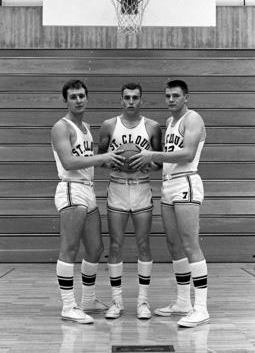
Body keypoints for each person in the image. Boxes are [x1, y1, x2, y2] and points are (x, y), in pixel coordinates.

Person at [130, 80, 209, 328]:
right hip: (168, 184)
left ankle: (201, 308)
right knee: (174, 244)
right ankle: (183, 302)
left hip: (186, 182)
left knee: (189, 244)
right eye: (167, 96)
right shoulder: (171, 123)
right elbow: (168, 159)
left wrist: (152, 155)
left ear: (187, 97)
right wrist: (141, 162)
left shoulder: (192, 118)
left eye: (176, 95)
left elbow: (186, 154)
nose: (171, 99)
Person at [51, 79, 124, 324]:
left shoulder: (85, 128)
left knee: (95, 249)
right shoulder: (61, 127)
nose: (78, 100)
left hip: (88, 190)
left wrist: (114, 160)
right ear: (66, 100)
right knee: (70, 248)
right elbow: (70, 162)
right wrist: (102, 156)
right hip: (71, 189)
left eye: (82, 95)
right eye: (73, 96)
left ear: (87, 97)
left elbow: (87, 159)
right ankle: (68, 306)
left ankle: (88, 300)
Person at [98, 83, 162, 320]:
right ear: (121, 100)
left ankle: (143, 302)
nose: (131, 101)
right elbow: (100, 159)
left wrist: (147, 163)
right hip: (117, 189)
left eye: (135, 97)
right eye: (127, 97)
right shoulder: (108, 126)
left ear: (141, 100)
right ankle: (116, 302)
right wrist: (111, 162)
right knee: (115, 245)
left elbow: (161, 163)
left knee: (143, 245)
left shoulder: (153, 127)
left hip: (142, 188)